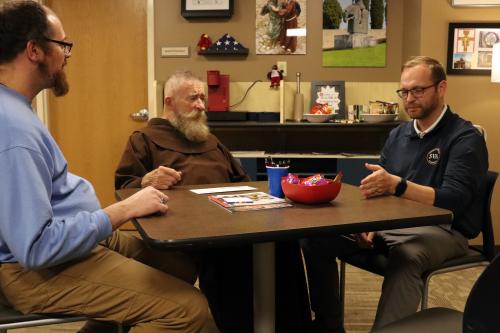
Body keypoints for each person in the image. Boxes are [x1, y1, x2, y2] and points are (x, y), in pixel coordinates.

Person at [0, 2, 208, 333]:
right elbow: (36, 248)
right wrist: (122, 210)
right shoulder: (13, 130)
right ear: (34, 50)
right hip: (35, 270)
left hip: (71, 241)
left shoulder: (16, 110)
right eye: (63, 45)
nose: (68, 55)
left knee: (177, 265)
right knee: (188, 311)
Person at [302, 56, 489, 333]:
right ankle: (329, 326)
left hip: (445, 230)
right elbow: (379, 190)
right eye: (404, 91)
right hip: (394, 225)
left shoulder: (465, 138)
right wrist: (370, 224)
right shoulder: (399, 134)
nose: (409, 98)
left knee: (407, 256)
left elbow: (454, 202)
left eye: (418, 90)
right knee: (315, 237)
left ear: (441, 88)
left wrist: (399, 186)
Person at [115, 70, 312, 333]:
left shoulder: (210, 140)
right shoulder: (144, 140)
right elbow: (123, 190)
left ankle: (290, 326)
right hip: (185, 230)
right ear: (170, 102)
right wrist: (145, 182)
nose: (201, 105)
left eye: (202, 98)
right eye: (193, 98)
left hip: (232, 220)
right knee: (232, 255)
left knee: (283, 242)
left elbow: (244, 181)